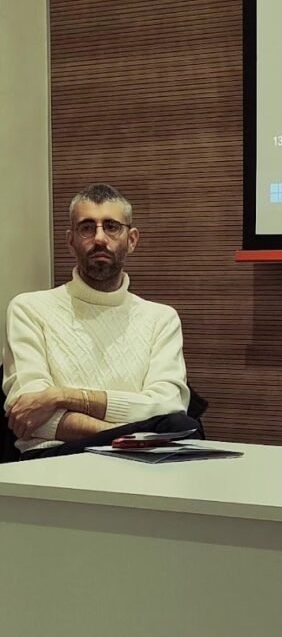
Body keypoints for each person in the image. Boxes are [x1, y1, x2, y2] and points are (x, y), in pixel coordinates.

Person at [2, 184, 199, 458]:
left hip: (141, 463)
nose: (99, 238)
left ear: (132, 239)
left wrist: (62, 396)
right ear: (70, 240)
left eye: (111, 227)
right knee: (179, 429)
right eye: (87, 227)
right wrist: (132, 435)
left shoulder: (161, 318)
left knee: (179, 423)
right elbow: (29, 415)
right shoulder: (29, 309)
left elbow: (167, 406)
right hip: (56, 461)